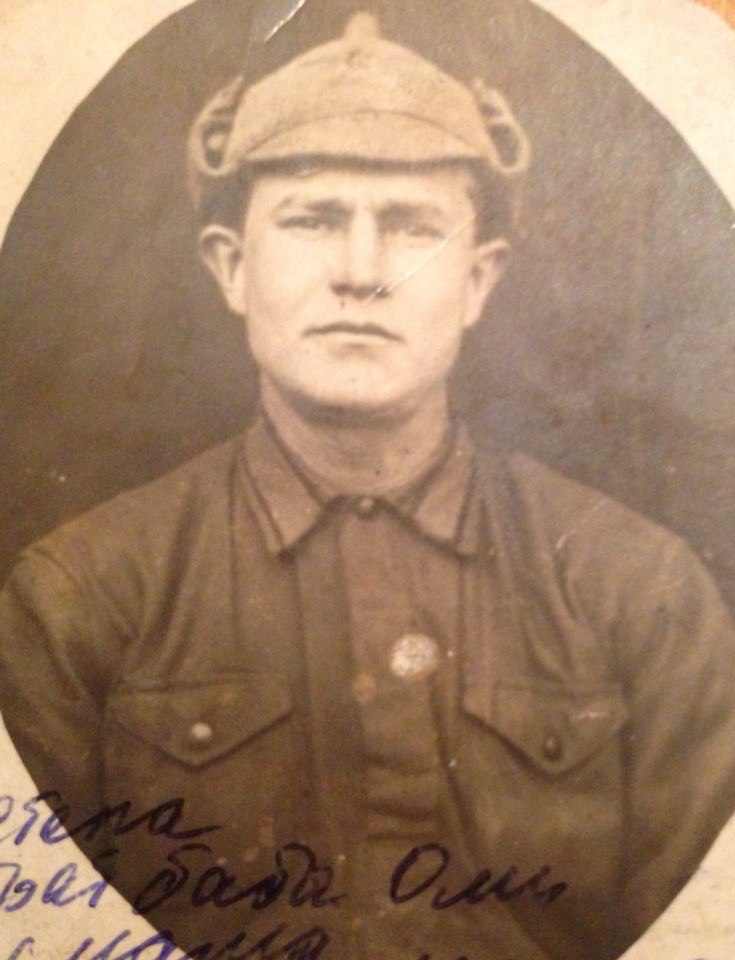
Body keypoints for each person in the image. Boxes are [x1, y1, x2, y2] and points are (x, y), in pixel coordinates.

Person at [1, 12, 735, 960]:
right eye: (311, 220)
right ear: (232, 267)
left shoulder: (637, 591)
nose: (359, 273)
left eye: (410, 226)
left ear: (477, 281)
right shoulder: (83, 598)